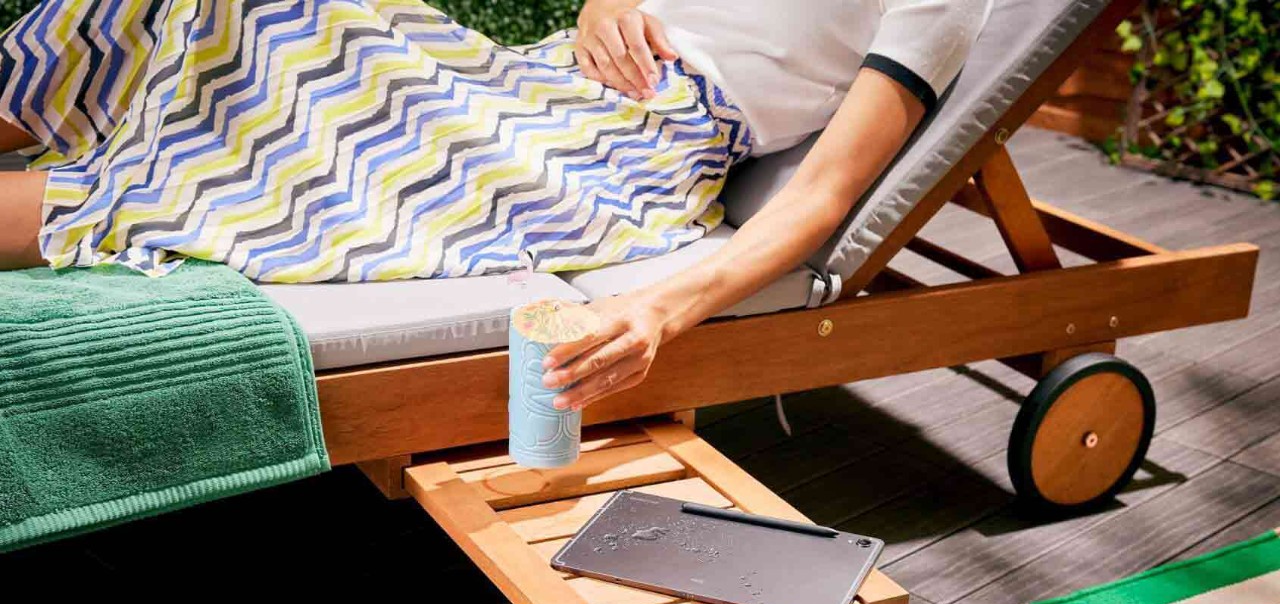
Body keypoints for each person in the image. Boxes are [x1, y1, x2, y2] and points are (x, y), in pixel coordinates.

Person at [0, 0, 989, 411]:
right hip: (528, 82)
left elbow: (823, 191)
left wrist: (654, 307)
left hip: (610, 160)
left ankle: (92, 194)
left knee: (287, 33)